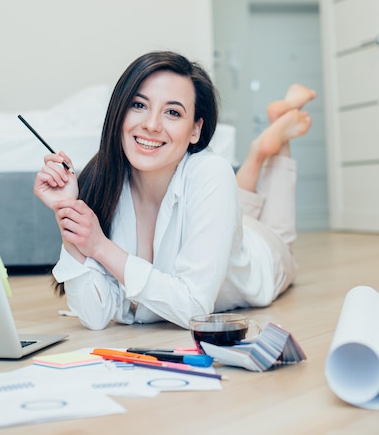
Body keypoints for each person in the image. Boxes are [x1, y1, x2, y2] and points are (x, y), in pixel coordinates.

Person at [34, 51, 315, 330]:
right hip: (221, 213)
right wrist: (68, 209)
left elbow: (193, 308)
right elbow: (95, 317)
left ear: (195, 130)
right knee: (237, 208)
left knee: (281, 237)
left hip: (261, 255)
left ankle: (264, 146)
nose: (151, 125)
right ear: (119, 112)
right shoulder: (103, 180)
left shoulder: (211, 171)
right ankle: (269, 135)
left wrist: (100, 246)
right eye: (139, 105)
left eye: (172, 112)